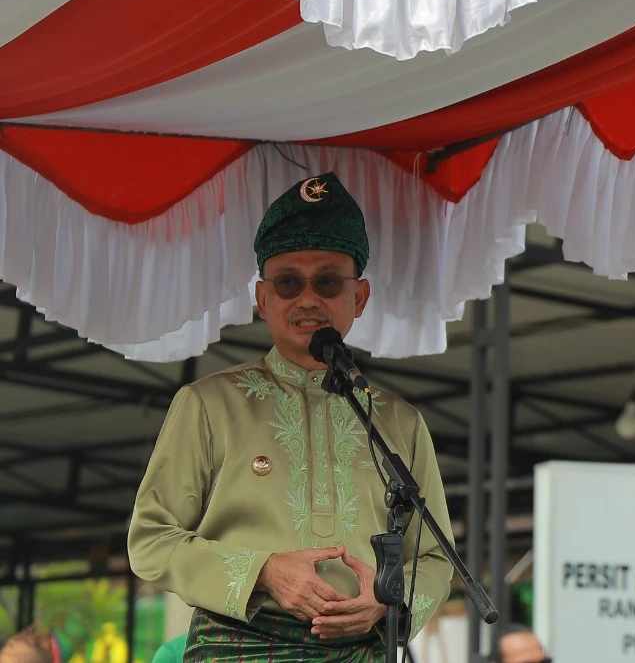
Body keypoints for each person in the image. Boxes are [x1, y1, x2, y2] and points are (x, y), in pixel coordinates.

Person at [128, 172, 454, 662]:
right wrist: (263, 570)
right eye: (288, 283)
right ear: (262, 300)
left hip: (359, 650)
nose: (307, 299)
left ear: (359, 297)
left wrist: (390, 605)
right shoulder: (209, 404)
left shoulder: (397, 421)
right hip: (240, 646)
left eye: (326, 281)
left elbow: (433, 557)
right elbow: (152, 540)